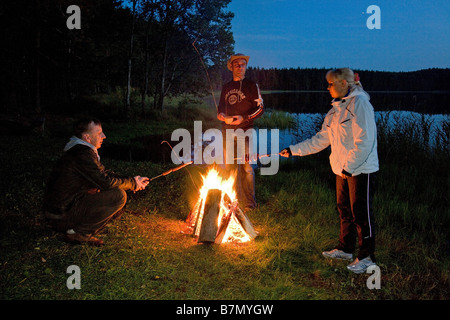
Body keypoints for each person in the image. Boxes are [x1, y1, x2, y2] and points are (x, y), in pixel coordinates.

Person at [280, 68, 379, 274]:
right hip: (341, 169)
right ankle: (345, 249)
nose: (328, 87)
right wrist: (293, 150)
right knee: (344, 211)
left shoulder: (360, 104)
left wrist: (350, 167)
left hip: (360, 169)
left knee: (361, 213)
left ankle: (367, 257)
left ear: (344, 83)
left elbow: (365, 140)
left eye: (331, 84)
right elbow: (321, 139)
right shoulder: (335, 109)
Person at [43, 118, 149, 246]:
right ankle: (79, 233)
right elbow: (106, 182)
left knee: (110, 196)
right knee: (118, 196)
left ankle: (75, 228)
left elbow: (103, 174)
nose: (104, 136)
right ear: (87, 137)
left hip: (62, 210)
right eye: (99, 133)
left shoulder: (80, 150)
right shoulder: (82, 154)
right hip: (60, 215)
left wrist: (134, 180)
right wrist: (132, 183)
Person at [217, 53, 264, 212]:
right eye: (237, 64)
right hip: (227, 132)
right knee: (230, 167)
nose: (240, 67)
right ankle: (232, 200)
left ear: (246, 67)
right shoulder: (226, 87)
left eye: (243, 64)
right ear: (231, 67)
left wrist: (243, 118)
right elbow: (221, 107)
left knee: (247, 167)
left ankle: (250, 203)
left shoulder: (252, 85)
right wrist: (221, 115)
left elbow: (260, 109)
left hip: (246, 131)